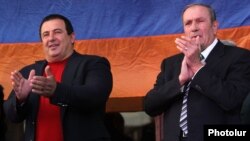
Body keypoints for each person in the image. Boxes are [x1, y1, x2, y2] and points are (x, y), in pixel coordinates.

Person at [144, 3, 250, 141]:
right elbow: (150, 106)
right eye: (188, 23)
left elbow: (232, 100)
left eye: (200, 21)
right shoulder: (171, 63)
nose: (193, 28)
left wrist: (197, 67)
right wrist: (180, 81)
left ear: (214, 26)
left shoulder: (239, 57)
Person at [4, 14, 113, 141]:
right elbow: (11, 116)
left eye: (57, 32)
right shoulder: (29, 72)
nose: (51, 38)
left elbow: (95, 96)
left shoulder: (94, 64)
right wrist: (20, 100)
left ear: (72, 37)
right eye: (45, 35)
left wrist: (56, 90)